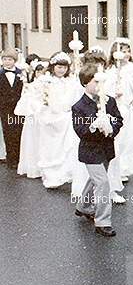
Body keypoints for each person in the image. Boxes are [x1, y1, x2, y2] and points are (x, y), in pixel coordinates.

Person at [72, 63, 124, 237]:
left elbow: (119, 119)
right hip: (90, 151)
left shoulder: (110, 101)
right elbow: (80, 130)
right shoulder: (79, 106)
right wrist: (94, 126)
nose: (99, 86)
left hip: (106, 148)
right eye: (96, 82)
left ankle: (83, 206)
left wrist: (111, 127)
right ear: (85, 83)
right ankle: (103, 221)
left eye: (102, 82)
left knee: (95, 180)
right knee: (102, 183)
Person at [36, 52, 83, 188]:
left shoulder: (70, 81)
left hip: (65, 118)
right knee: (51, 147)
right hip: (51, 117)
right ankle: (50, 175)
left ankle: (64, 172)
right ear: (53, 66)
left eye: (64, 67)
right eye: (58, 67)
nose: (61, 70)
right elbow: (39, 98)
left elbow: (76, 95)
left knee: (65, 147)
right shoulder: (46, 80)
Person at [106, 40, 133, 180]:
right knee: (116, 137)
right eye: (123, 51)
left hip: (126, 107)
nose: (127, 54)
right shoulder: (110, 69)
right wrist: (111, 93)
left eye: (128, 51)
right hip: (114, 107)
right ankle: (113, 166)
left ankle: (124, 168)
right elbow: (104, 87)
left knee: (128, 138)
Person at [0, 48, 25, 169]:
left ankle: (20, 157)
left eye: (9, 59)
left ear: (14, 60)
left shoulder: (21, 73)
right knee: (8, 132)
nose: (7, 62)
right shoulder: (0, 73)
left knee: (19, 131)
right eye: (5, 59)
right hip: (5, 109)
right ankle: (11, 158)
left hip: (19, 107)